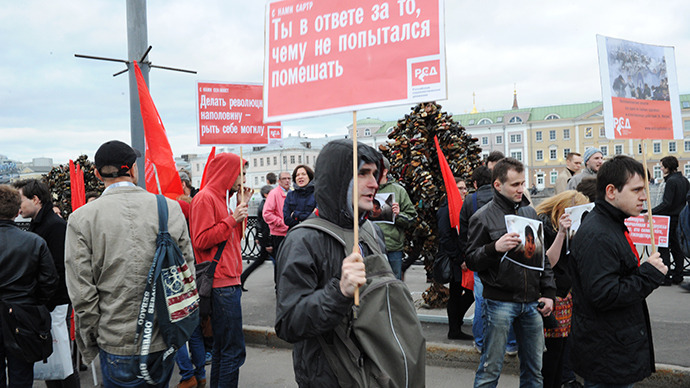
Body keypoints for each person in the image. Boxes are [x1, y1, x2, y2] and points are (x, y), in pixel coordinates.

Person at [275, 139, 423, 386]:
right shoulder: (303, 240)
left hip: (377, 369)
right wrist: (339, 291)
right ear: (338, 178)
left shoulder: (370, 231)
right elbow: (289, 323)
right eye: (363, 173)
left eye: (375, 174)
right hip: (330, 376)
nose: (374, 183)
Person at [65, 140, 194, 387]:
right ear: (134, 170)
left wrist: (94, 337)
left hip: (115, 338)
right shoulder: (169, 208)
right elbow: (187, 271)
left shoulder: (81, 218)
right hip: (162, 335)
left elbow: (81, 292)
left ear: (97, 174)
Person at [570, 155, 668, 387]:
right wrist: (649, 273)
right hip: (607, 352)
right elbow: (605, 294)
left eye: (644, 189)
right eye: (636, 190)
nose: (644, 197)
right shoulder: (599, 234)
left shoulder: (610, 223)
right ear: (611, 191)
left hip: (613, 347)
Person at [465, 157, 556, 387]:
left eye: (522, 183)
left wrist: (548, 292)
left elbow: (540, 258)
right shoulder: (482, 217)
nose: (521, 189)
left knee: (535, 371)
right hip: (499, 302)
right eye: (515, 185)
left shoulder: (529, 212)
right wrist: (493, 248)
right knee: (490, 369)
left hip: (532, 301)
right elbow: (471, 260)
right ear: (498, 185)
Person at [190, 152, 252, 388]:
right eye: (241, 173)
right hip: (221, 284)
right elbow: (201, 240)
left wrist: (239, 207)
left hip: (227, 282)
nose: (243, 179)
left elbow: (232, 239)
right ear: (228, 172)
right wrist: (231, 218)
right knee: (232, 352)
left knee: (223, 350)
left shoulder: (219, 198)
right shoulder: (205, 198)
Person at [13, 179, 80, 387]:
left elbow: (59, 268)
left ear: (35, 199)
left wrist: (44, 301)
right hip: (48, 303)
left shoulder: (55, 226)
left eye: (20, 200)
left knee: (62, 363)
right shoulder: (42, 223)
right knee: (53, 361)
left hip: (54, 303)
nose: (18, 206)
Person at [0, 184, 58, 388]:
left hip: (18, 311)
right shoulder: (34, 242)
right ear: (17, 212)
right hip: (23, 316)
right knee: (22, 376)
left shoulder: (35, 241)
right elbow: (50, 281)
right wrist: (34, 303)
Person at [459, 166, 519, 355]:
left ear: (475, 183)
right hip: (507, 259)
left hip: (483, 257)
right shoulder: (507, 201)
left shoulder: (471, 200)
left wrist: (465, 256)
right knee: (508, 302)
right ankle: (510, 344)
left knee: (481, 301)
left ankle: (480, 341)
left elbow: (464, 232)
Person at [535, 190, 589, 388]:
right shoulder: (543, 224)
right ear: (562, 209)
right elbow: (547, 262)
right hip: (550, 295)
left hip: (565, 294)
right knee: (552, 354)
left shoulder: (570, 227)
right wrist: (561, 234)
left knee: (563, 350)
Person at [437, 176, 473, 340]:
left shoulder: (461, 207)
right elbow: (445, 238)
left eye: (465, 188)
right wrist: (459, 260)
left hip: (461, 258)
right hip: (454, 260)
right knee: (457, 293)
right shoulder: (446, 209)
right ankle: (454, 329)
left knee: (467, 292)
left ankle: (456, 325)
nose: (464, 191)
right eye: (460, 188)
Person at [649, 156, 689, 285]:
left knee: (664, 248)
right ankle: (678, 275)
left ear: (667, 167)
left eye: (662, 166)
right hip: (680, 218)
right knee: (677, 248)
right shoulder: (684, 180)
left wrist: (651, 212)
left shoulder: (671, 182)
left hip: (669, 219)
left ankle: (665, 277)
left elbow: (667, 203)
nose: (660, 168)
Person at [375, 156, 416, 279]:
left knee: (394, 286)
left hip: (392, 248)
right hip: (372, 247)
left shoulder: (398, 191)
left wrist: (398, 215)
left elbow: (412, 218)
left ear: (385, 171)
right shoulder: (367, 188)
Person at [241, 184, 275, 291]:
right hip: (267, 240)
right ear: (266, 194)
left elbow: (259, 223)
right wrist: (268, 243)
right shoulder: (266, 205)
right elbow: (265, 225)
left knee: (261, 261)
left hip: (264, 239)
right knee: (275, 262)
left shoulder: (264, 204)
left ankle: (242, 279)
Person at [263, 171, 290, 252]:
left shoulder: (292, 193)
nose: (287, 180)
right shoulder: (273, 193)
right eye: (284, 178)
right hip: (278, 234)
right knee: (280, 262)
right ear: (279, 181)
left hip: (290, 232)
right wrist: (282, 222)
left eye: (289, 178)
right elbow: (267, 214)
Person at [283, 165, 316, 229]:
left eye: (303, 174)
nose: (300, 177)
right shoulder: (290, 195)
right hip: (294, 233)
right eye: (297, 175)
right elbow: (286, 219)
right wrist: (309, 215)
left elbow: (317, 217)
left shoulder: (317, 194)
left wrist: (295, 215)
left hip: (313, 233)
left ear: (310, 177)